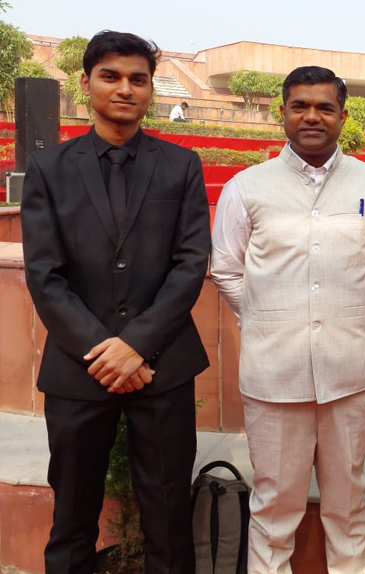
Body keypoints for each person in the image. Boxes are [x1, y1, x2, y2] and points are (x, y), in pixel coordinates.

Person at [21, 30, 211, 573]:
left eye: (138, 79)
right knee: (72, 515)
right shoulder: (50, 169)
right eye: (111, 76)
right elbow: (45, 275)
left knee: (169, 515)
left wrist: (137, 346)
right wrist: (106, 352)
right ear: (85, 84)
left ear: (150, 89)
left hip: (163, 367)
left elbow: (190, 263)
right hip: (78, 368)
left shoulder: (181, 165)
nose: (125, 88)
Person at [210, 65, 365, 574]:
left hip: (349, 373)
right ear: (282, 113)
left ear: (343, 116)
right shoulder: (246, 187)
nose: (312, 117)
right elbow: (227, 269)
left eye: (324, 107)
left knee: (348, 504)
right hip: (274, 376)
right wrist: (269, 317)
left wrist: (343, 311)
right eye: (300, 106)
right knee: (274, 508)